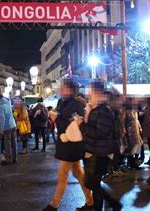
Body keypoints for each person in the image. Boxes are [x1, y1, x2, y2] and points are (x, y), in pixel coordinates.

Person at [43, 79, 93, 211]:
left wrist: (57, 118)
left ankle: (54, 205)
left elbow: (73, 124)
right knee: (78, 174)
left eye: (63, 88)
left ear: (70, 90)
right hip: (67, 144)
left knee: (62, 175)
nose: (60, 90)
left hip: (72, 145)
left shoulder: (76, 106)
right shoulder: (62, 103)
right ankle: (90, 201)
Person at [80, 81, 121, 211]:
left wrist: (82, 125)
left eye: (90, 92)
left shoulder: (104, 111)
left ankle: (110, 204)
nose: (88, 94)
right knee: (90, 182)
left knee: (93, 183)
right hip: (93, 151)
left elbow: (99, 132)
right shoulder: (95, 109)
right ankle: (113, 203)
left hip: (100, 153)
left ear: (98, 93)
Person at [0, 94, 17, 165]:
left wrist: (1, 129)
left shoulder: (0, 107)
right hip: (13, 125)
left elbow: (2, 118)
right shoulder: (8, 103)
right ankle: (15, 158)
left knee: (7, 143)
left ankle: (9, 159)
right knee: (13, 142)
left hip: (7, 127)